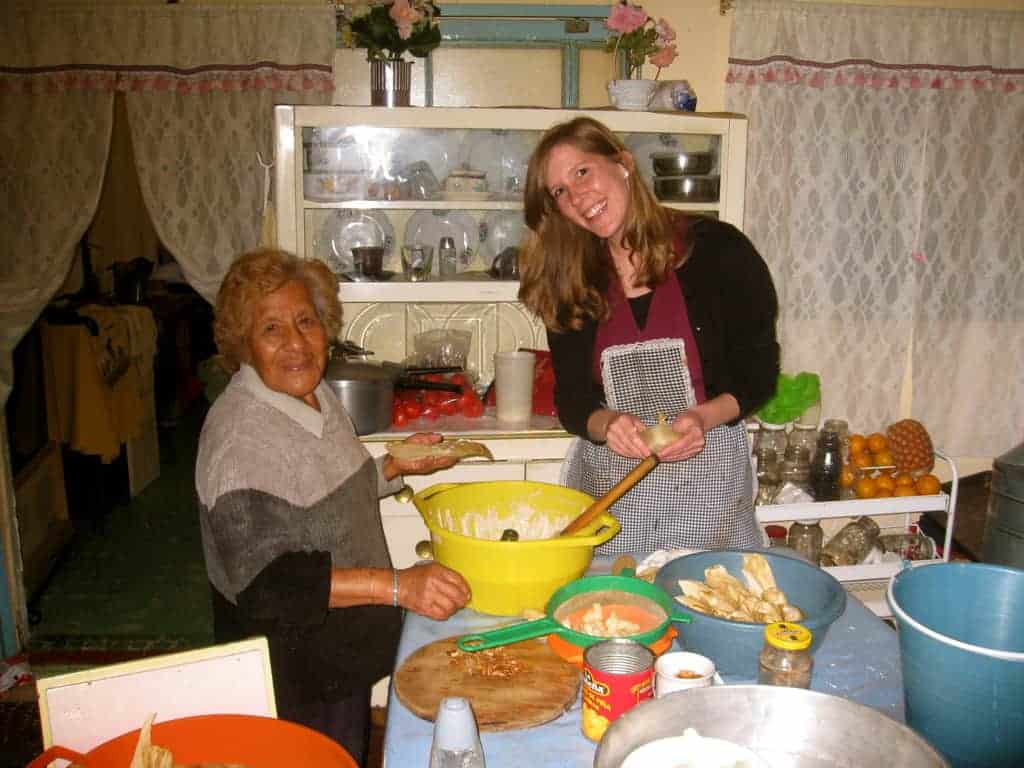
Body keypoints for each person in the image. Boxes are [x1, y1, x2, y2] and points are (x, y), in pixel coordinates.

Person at [196, 249, 471, 765]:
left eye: (306, 322)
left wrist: (392, 468)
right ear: (245, 344)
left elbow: (322, 492)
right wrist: (397, 586)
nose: (296, 343)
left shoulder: (312, 394)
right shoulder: (239, 439)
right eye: (272, 328)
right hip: (294, 667)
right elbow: (268, 584)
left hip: (337, 649)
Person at [519, 117, 779, 554]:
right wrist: (607, 425)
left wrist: (701, 418)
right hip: (612, 494)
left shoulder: (719, 251)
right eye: (560, 191)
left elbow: (758, 373)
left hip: (708, 486)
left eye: (582, 171)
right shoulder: (571, 279)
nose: (577, 197)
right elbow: (573, 400)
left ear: (622, 163)